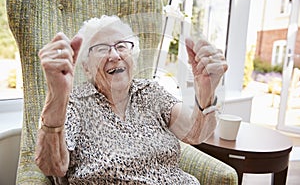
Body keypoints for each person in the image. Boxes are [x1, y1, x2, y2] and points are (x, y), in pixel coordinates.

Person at [35, 15, 228, 184]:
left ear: (133, 58)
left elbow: (195, 133)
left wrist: (206, 89)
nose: (115, 55)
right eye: (102, 48)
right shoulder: (73, 104)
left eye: (121, 46)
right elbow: (53, 167)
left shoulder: (151, 92)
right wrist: (56, 94)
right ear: (86, 67)